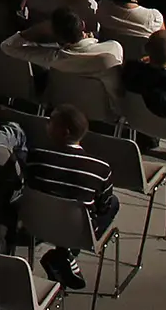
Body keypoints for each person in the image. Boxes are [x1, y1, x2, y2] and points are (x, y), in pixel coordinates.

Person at [25, 104, 117, 291]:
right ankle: (65, 252)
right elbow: (103, 207)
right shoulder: (100, 169)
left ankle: (63, 254)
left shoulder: (35, 156)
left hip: (35, 224)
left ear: (64, 132)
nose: (46, 126)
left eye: (51, 123)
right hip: (78, 233)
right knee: (113, 203)